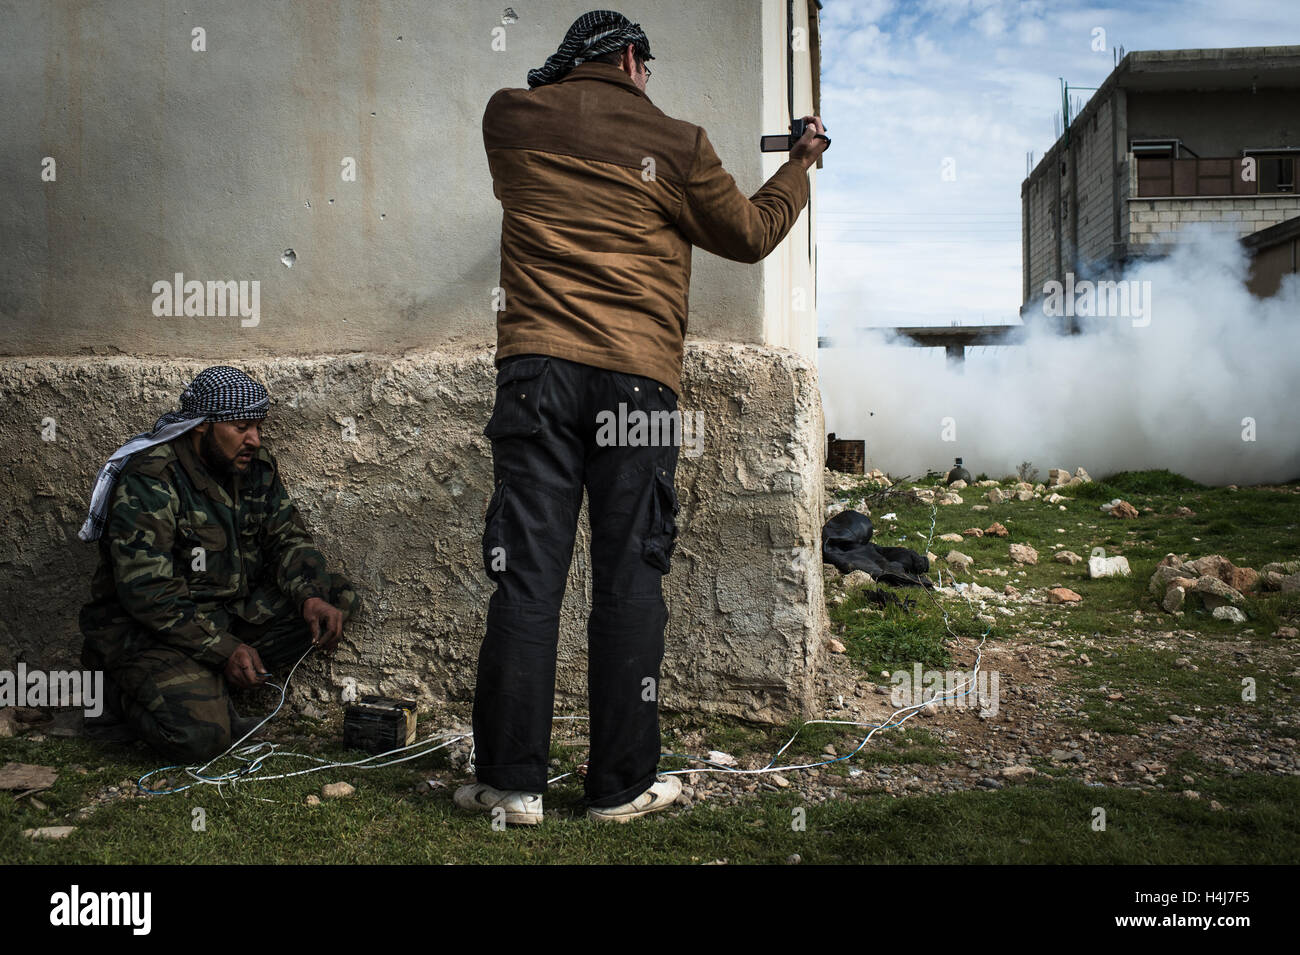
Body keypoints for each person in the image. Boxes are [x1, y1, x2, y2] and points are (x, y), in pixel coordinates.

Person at [456, 10, 828, 825]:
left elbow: (540, 104)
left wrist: (561, 81)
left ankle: (513, 783)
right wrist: (801, 162)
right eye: (646, 65)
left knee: (526, 577)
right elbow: (752, 234)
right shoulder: (682, 145)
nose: (650, 81)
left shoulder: (508, 119)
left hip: (536, 377)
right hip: (639, 386)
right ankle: (620, 786)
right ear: (629, 57)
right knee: (630, 578)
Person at [78, 366, 359, 763]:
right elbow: (148, 593)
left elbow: (287, 540)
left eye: (257, 426)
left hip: (225, 615)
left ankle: (207, 685)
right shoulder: (152, 480)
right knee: (202, 738)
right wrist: (223, 649)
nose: (254, 440)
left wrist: (310, 596)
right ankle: (116, 696)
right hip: (149, 632)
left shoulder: (254, 467)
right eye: (241, 427)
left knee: (336, 598)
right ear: (201, 427)